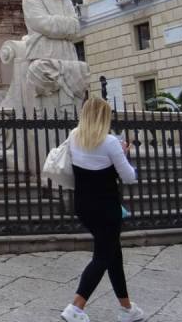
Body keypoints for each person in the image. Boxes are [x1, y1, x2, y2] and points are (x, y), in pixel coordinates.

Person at [60, 97, 142, 322]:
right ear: (104, 117)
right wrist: (124, 154)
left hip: (83, 206)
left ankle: (127, 309)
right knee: (102, 256)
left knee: (113, 254)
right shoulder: (110, 142)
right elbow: (129, 177)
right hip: (106, 208)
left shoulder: (74, 135)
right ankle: (76, 306)